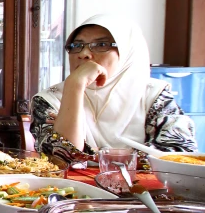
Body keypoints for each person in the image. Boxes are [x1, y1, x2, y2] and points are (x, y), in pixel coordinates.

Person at [32, 14, 197, 163]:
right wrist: (75, 86)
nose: (84, 54)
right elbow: (59, 160)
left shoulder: (153, 95)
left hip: (146, 192)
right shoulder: (49, 99)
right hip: (75, 192)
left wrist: (100, 154)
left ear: (127, 51)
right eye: (77, 45)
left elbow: (181, 153)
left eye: (101, 44)